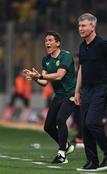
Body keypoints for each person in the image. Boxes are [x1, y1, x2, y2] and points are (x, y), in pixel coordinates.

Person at [74, 13, 107, 171]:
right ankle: (92, 162)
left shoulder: (103, 44)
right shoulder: (83, 46)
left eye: (83, 25)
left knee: (91, 122)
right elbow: (81, 69)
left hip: (100, 88)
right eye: (79, 26)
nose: (80, 29)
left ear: (92, 26)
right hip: (86, 90)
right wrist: (77, 91)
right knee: (84, 126)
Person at [23, 31, 76, 164]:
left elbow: (59, 75)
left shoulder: (66, 56)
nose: (47, 42)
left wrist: (40, 76)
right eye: (46, 40)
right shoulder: (45, 60)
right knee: (48, 126)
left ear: (58, 43)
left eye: (51, 40)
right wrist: (35, 78)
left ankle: (62, 154)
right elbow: (44, 82)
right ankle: (67, 146)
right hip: (58, 95)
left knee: (60, 119)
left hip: (71, 94)